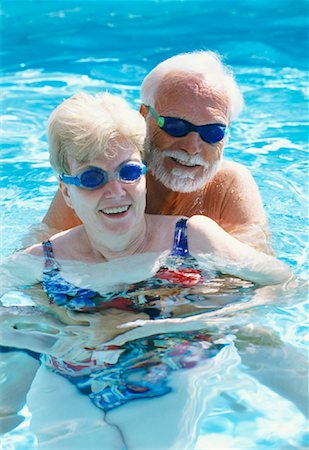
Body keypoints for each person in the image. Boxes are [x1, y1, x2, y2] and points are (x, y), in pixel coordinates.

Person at [1, 92, 303, 448]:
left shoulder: (193, 239)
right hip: (71, 383)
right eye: (92, 178)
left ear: (145, 176)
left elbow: (287, 285)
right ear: (67, 192)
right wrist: (61, 325)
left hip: (171, 373)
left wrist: (147, 327)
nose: (115, 192)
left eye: (128, 172)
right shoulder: (41, 261)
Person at [42, 51, 271, 253]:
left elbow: (261, 282)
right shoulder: (104, 178)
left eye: (213, 132)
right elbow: (43, 255)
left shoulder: (228, 185)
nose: (192, 147)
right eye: (176, 126)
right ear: (144, 115)